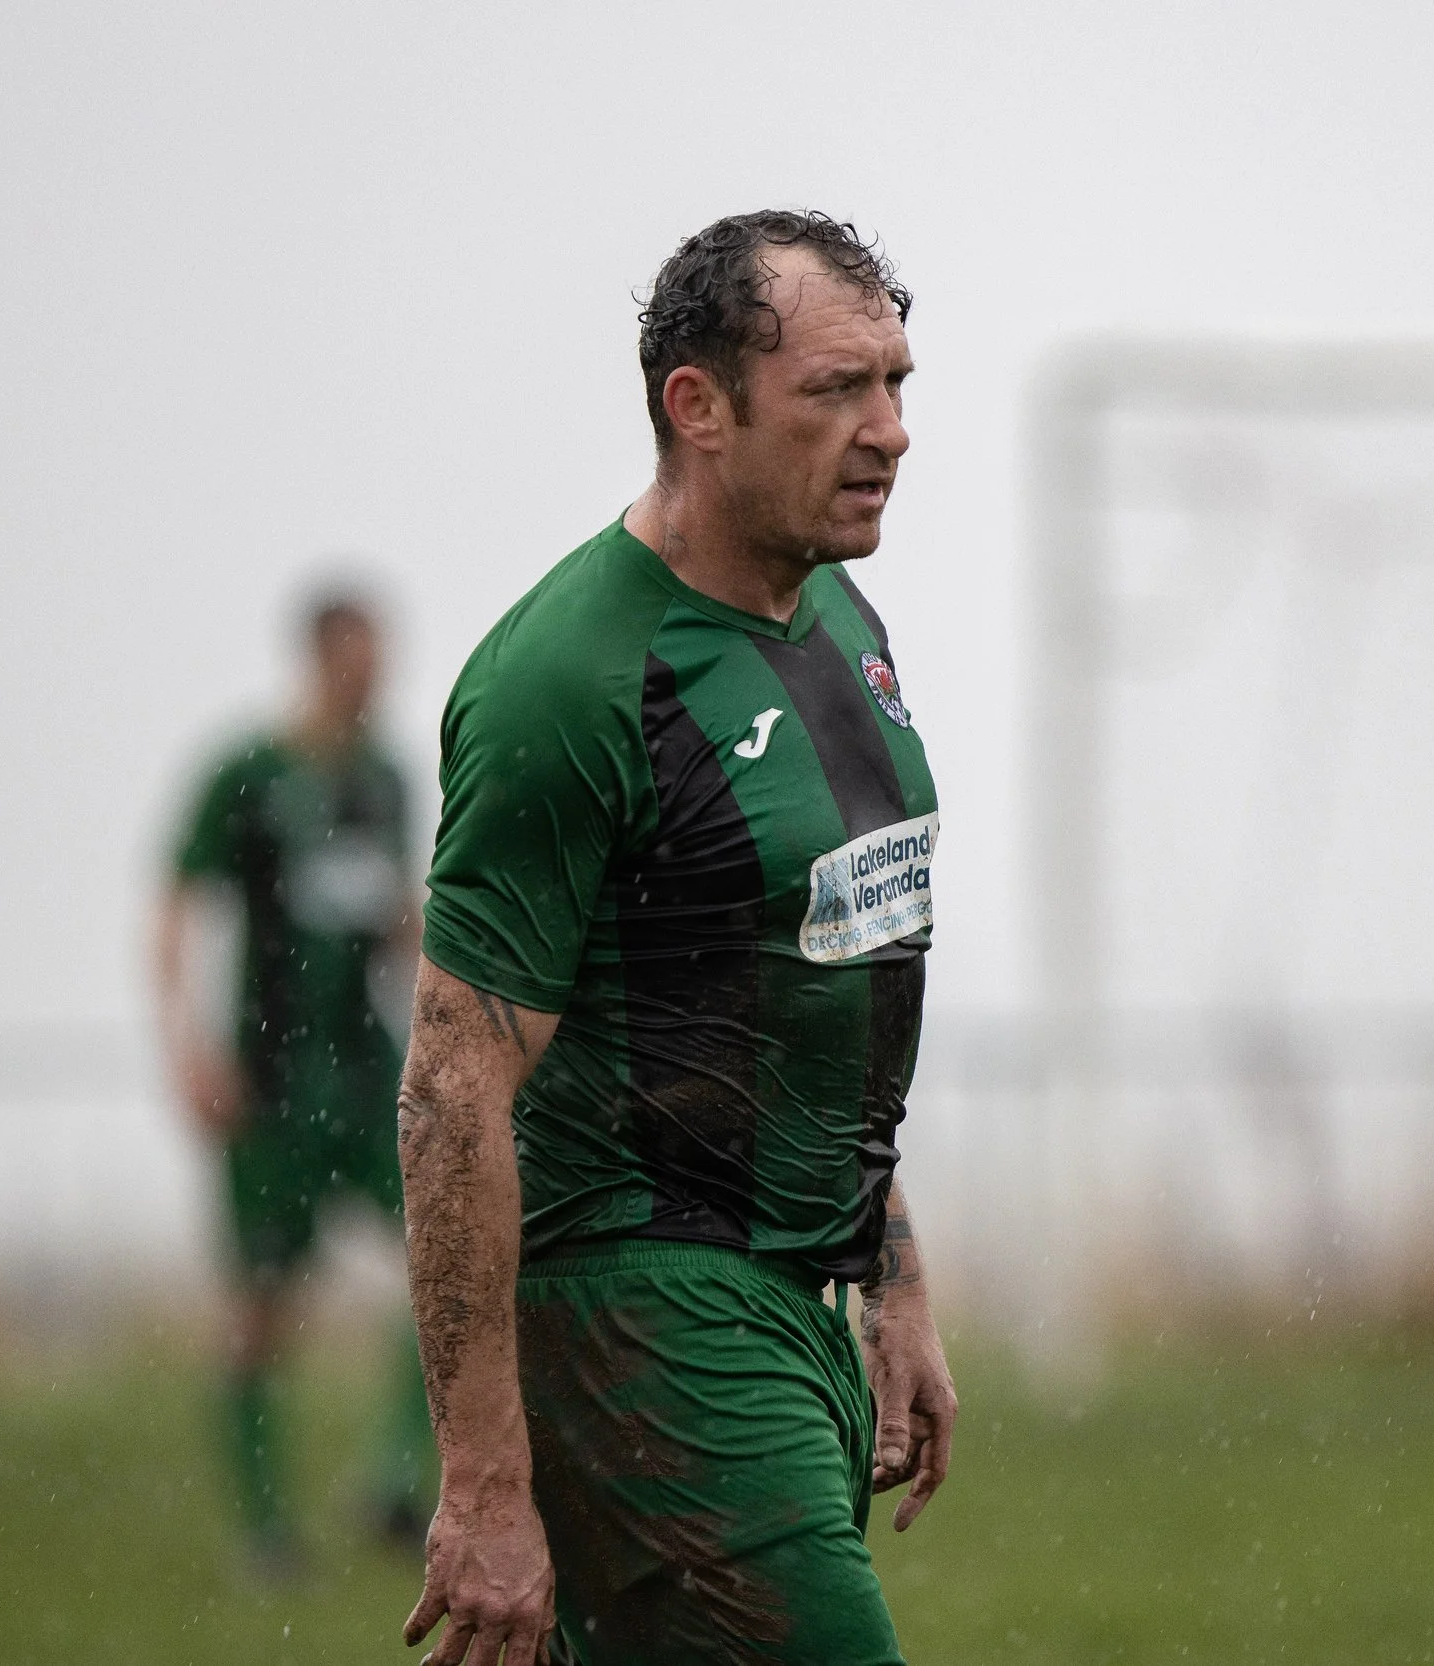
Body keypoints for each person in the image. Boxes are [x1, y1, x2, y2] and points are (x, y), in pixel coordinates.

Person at [398, 209, 957, 1666]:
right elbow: (453, 1088)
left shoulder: (838, 616)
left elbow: (827, 968)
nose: (889, 429)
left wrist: (890, 1273)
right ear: (696, 408)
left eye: (898, 382)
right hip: (645, 1324)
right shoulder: (567, 681)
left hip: (791, 1309)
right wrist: (483, 1483)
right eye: (839, 390)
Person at [153, 587, 436, 1575]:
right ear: (318, 659)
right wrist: (187, 1049)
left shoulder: (388, 781)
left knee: (457, 1259)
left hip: (372, 1079)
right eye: (358, 662)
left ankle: (393, 1482)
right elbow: (175, 907)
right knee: (262, 1308)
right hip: (270, 1082)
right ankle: (267, 1530)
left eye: (383, 662)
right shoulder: (248, 774)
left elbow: (402, 916)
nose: (373, 680)